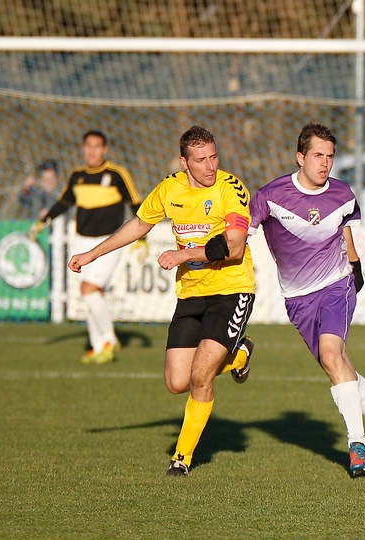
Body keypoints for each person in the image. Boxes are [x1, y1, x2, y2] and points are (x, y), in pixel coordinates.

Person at [68, 125, 256, 477]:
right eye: (201, 160)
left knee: (201, 375)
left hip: (232, 290)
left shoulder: (231, 189)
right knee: (177, 382)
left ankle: (182, 458)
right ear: (184, 162)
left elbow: (234, 248)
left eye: (214, 156)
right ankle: (239, 353)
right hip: (191, 293)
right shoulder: (169, 189)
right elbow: (138, 225)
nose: (210, 166)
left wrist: (183, 256)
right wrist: (93, 253)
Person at [248, 122, 365, 478]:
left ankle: (357, 445)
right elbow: (243, 234)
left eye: (330, 156)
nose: (325, 163)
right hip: (298, 298)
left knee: (332, 356)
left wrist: (355, 266)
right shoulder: (270, 196)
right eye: (318, 155)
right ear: (300, 157)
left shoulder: (343, 194)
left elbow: (346, 230)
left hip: (337, 283)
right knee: (339, 367)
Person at [29, 130, 143, 364]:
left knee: (88, 289)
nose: (92, 151)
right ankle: (99, 346)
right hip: (81, 241)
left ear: (105, 149)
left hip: (110, 241)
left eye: (97, 146)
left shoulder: (117, 174)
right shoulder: (77, 175)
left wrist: (142, 239)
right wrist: (43, 222)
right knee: (92, 293)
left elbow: (135, 203)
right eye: (88, 146)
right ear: (83, 149)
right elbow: (63, 203)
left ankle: (109, 339)